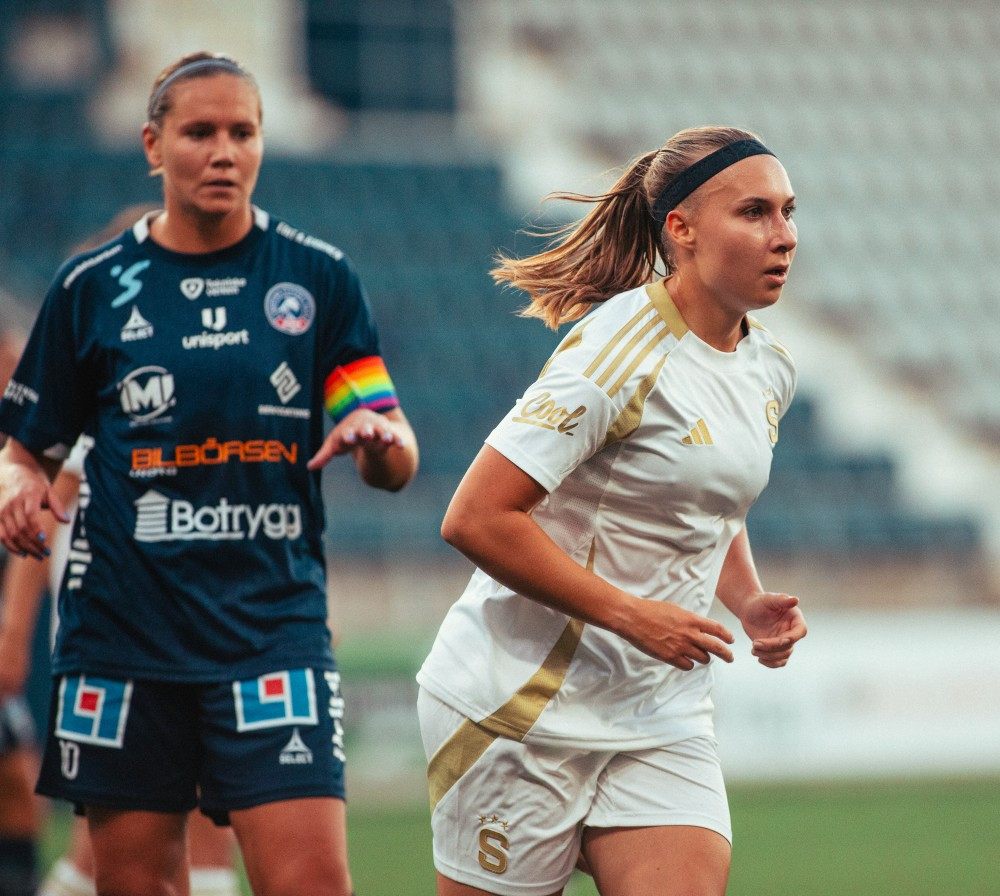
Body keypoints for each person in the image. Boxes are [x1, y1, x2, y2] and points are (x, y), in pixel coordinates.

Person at [0, 49, 418, 896]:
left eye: (243, 132)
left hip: (272, 631)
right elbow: (24, 450)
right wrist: (15, 484)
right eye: (200, 132)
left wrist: (380, 441)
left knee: (313, 884)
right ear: (153, 146)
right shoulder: (90, 288)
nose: (225, 151)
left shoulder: (318, 278)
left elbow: (396, 456)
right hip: (123, 638)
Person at [415, 126, 808, 896]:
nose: (784, 235)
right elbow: (476, 518)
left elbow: (705, 499)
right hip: (519, 709)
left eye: (788, 212)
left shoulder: (770, 365)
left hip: (660, 714)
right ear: (682, 229)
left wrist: (746, 599)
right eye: (754, 212)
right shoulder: (616, 351)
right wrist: (632, 616)